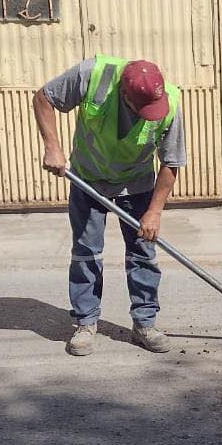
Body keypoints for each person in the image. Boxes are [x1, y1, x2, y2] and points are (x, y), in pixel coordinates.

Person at [33, 55, 186, 356]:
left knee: (143, 251)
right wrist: (52, 145)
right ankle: (86, 323)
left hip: (137, 183)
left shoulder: (170, 101)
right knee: (86, 253)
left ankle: (145, 323)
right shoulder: (93, 75)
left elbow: (171, 162)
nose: (147, 116)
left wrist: (154, 212)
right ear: (124, 94)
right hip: (89, 178)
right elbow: (44, 98)